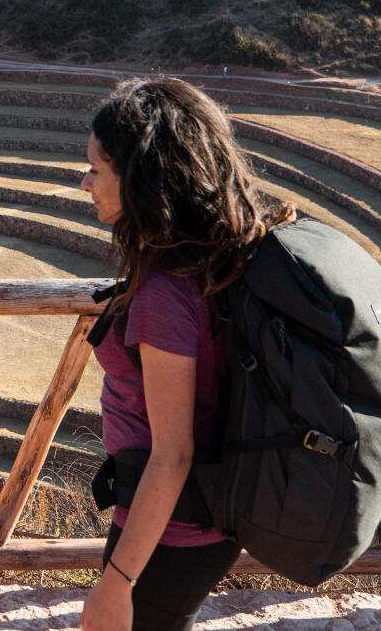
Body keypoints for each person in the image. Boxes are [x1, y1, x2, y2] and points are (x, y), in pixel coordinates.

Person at [80, 78, 295, 631]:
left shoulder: (165, 294)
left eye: (98, 170)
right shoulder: (215, 259)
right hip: (194, 520)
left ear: (143, 182)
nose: (86, 183)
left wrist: (117, 584)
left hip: (171, 529)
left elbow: (173, 452)